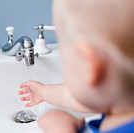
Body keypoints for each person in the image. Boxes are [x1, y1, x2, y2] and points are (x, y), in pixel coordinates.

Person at [19, 0, 134, 132]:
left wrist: (59, 128)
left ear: (88, 66)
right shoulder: (118, 104)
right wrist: (43, 92)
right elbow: (79, 97)